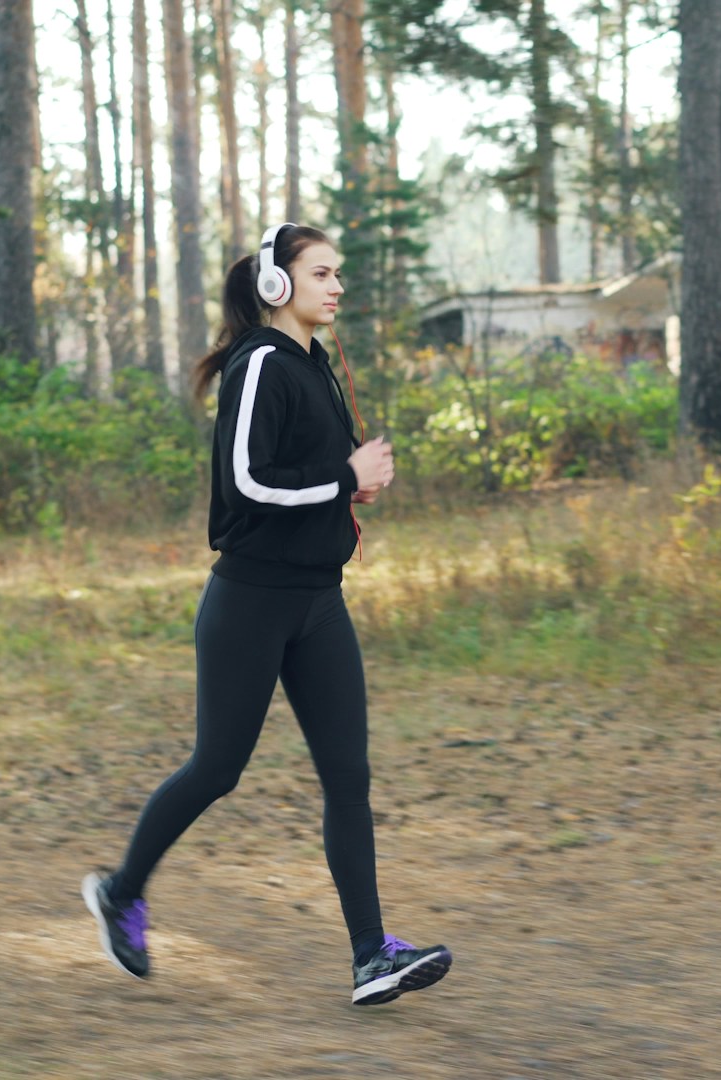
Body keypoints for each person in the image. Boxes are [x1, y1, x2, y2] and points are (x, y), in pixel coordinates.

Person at [82, 223, 453, 1007]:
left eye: (338, 274)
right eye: (321, 273)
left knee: (348, 776)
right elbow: (247, 483)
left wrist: (352, 484)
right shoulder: (259, 366)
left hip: (318, 601)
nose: (337, 286)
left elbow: (307, 475)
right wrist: (337, 476)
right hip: (249, 601)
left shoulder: (315, 367)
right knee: (218, 769)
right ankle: (121, 892)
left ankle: (370, 956)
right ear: (277, 286)